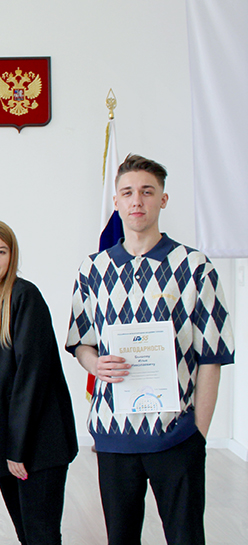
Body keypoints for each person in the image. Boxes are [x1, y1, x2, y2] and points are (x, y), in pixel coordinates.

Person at [67, 154, 234, 545]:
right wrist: (96, 364)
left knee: (186, 537)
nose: (137, 200)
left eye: (147, 191)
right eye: (127, 192)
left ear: (163, 199)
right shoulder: (93, 269)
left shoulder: (195, 266)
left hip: (175, 434)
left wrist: (198, 433)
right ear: (116, 202)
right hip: (113, 433)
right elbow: (81, 342)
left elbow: (211, 357)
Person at [0, 220, 77, 545]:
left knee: (41, 535)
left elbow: (31, 379)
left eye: (0, 252)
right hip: (6, 444)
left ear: (11, 256)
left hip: (37, 443)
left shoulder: (25, 296)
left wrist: (16, 450)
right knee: (25, 535)